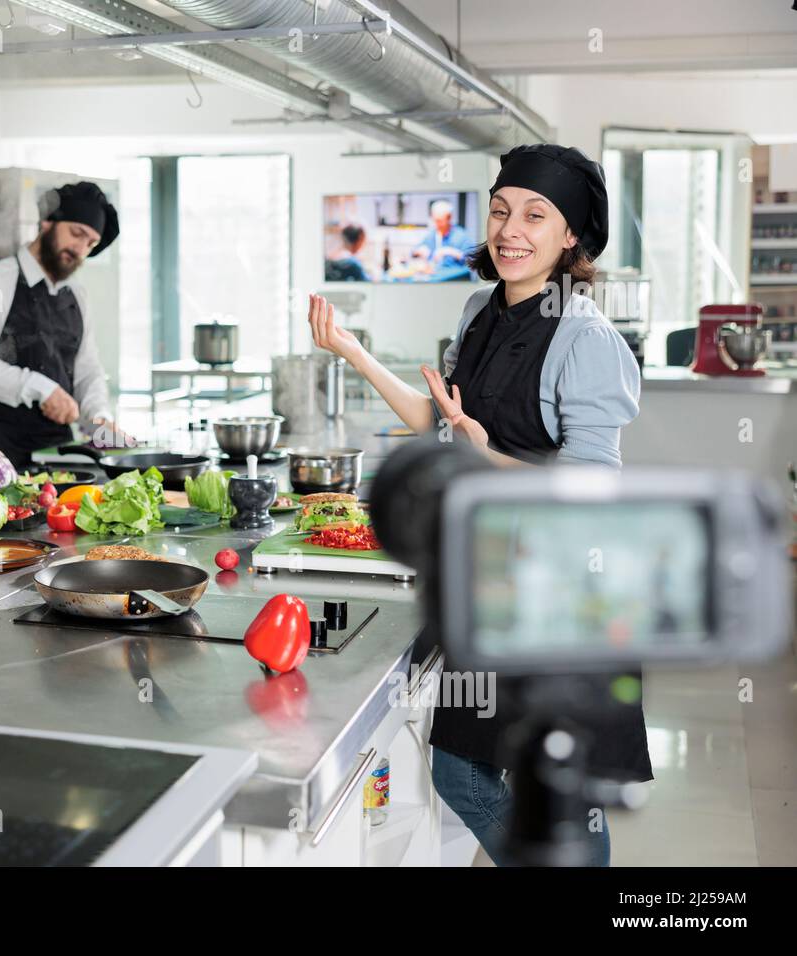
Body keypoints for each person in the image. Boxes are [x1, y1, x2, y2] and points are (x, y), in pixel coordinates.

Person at [308, 144, 653, 866]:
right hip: (495, 576)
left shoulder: (587, 339)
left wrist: (482, 454)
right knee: (467, 770)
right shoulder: (479, 310)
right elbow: (443, 422)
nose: (510, 229)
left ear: (571, 239)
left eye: (535, 214)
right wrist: (353, 352)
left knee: (552, 784)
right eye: (499, 210)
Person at [0, 182, 130, 468]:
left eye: (90, 244)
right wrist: (40, 388)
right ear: (48, 222)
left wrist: (99, 418)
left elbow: (88, 368)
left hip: (56, 457)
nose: (80, 249)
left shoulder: (76, 295)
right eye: (76, 234)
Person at [411, 199, 477, 267]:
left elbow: (472, 260)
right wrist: (418, 251)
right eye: (435, 220)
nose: (437, 224)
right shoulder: (432, 235)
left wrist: (452, 252)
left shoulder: (461, 237)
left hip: (455, 276)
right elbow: (414, 251)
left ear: (449, 217)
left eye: (440, 221)